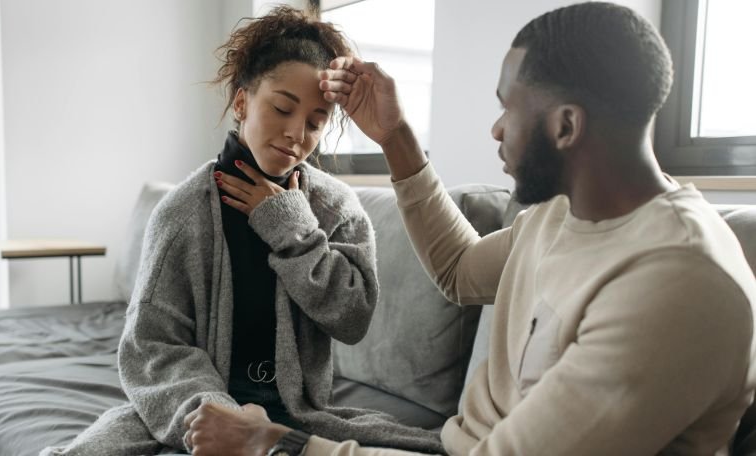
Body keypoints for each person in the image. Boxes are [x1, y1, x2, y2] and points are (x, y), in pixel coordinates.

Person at [183, 2, 756, 455]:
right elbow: (458, 270)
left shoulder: (679, 283)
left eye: (509, 107)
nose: (496, 129)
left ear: (565, 125)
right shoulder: (564, 213)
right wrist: (395, 136)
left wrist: (280, 446)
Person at [40, 6, 443, 456]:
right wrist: (213, 411)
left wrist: (292, 228)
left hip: (298, 413)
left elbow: (352, 319)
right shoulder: (182, 212)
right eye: (282, 108)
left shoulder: (336, 209)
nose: (296, 134)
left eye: (314, 123)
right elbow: (151, 345)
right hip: (191, 406)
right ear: (241, 101)